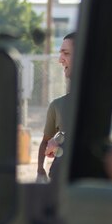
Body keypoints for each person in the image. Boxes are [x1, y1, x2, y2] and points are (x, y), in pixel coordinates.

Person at [38, 32, 76, 181]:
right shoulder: (57, 105)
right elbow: (46, 141)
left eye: (66, 53)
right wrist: (40, 170)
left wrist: (60, 140)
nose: (61, 60)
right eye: (61, 53)